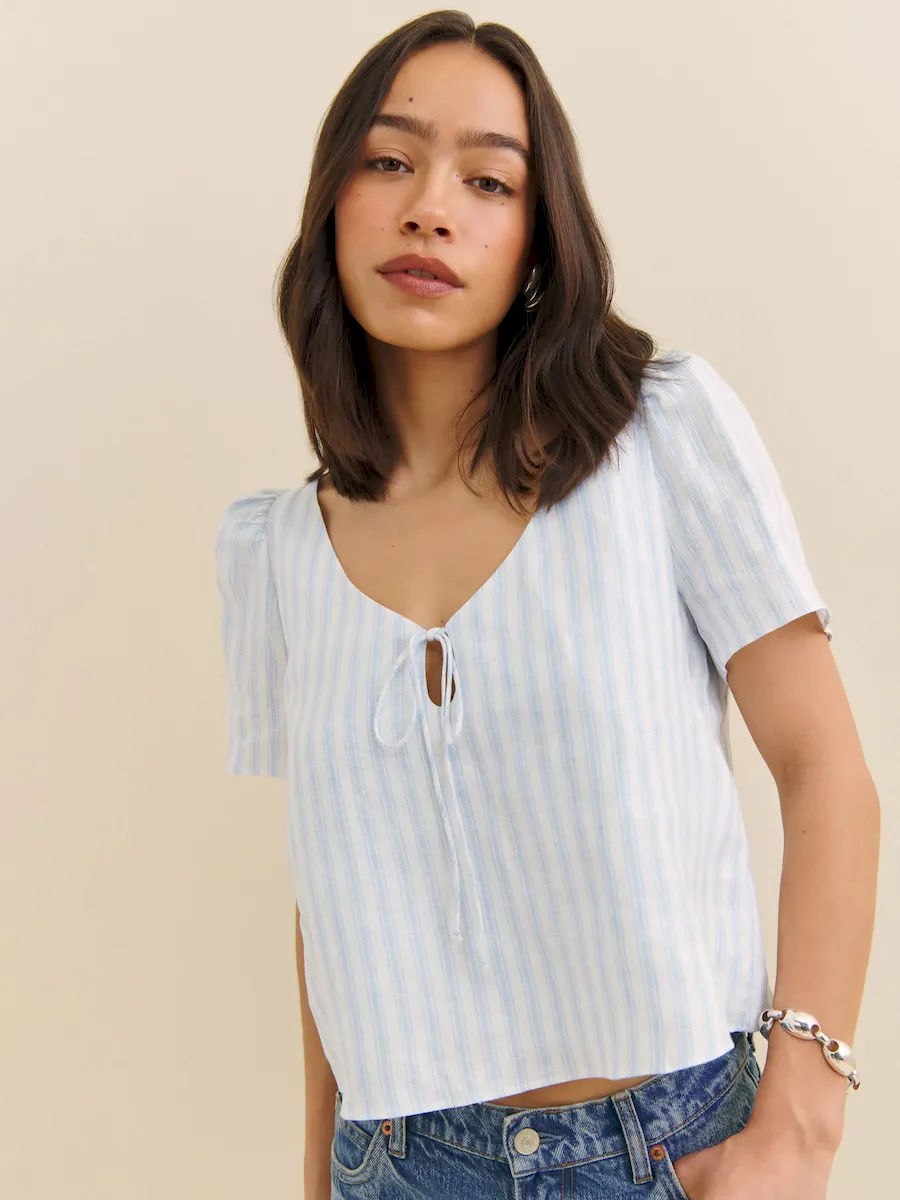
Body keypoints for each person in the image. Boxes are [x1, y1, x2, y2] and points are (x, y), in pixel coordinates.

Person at [215, 11, 878, 1199]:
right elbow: (336, 909)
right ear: (332, 206)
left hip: (674, 1148)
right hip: (398, 1166)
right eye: (389, 160)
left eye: (488, 180)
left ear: (537, 239)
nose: (430, 208)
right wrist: (317, 1177)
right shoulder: (277, 553)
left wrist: (800, 1123)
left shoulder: (660, 436)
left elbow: (825, 767)